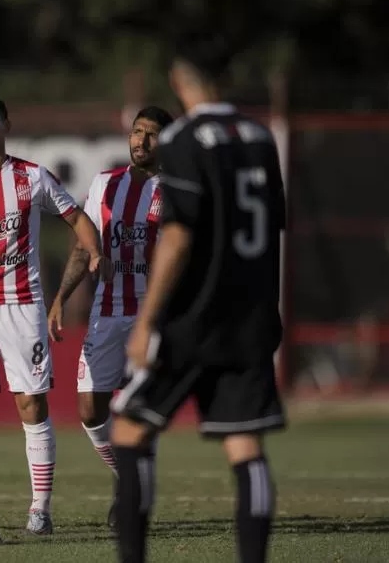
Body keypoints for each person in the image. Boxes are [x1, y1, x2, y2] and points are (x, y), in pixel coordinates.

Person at [110, 38, 286, 563]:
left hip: (192, 317)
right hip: (249, 317)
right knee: (246, 447)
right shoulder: (260, 136)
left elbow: (180, 237)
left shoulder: (184, 138)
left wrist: (148, 321)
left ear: (182, 83)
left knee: (129, 427)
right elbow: (272, 229)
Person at [0, 90, 108, 537]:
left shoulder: (33, 177)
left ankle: (40, 509)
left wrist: (94, 250)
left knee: (30, 403)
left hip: (22, 307)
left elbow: (77, 217)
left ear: (5, 125)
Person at [46, 105, 173, 530]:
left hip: (151, 317)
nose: (142, 140)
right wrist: (62, 296)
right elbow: (85, 246)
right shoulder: (105, 184)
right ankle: (129, 477)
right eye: (138, 132)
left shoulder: (175, 189)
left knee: (137, 410)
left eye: (152, 134)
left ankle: (130, 494)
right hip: (106, 312)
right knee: (89, 407)